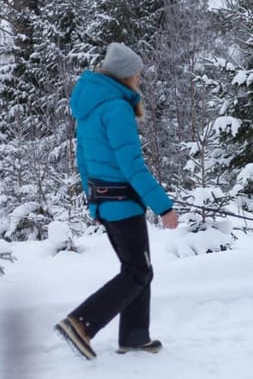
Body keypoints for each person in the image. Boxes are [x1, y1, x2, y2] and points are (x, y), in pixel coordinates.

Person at [55, 42, 179, 360]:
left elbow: (83, 162)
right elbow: (131, 164)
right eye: (137, 73)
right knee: (137, 271)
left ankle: (135, 337)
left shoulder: (91, 109)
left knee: (138, 269)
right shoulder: (116, 108)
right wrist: (163, 205)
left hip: (107, 201)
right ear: (124, 76)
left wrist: (93, 200)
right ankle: (80, 324)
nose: (140, 78)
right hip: (123, 202)